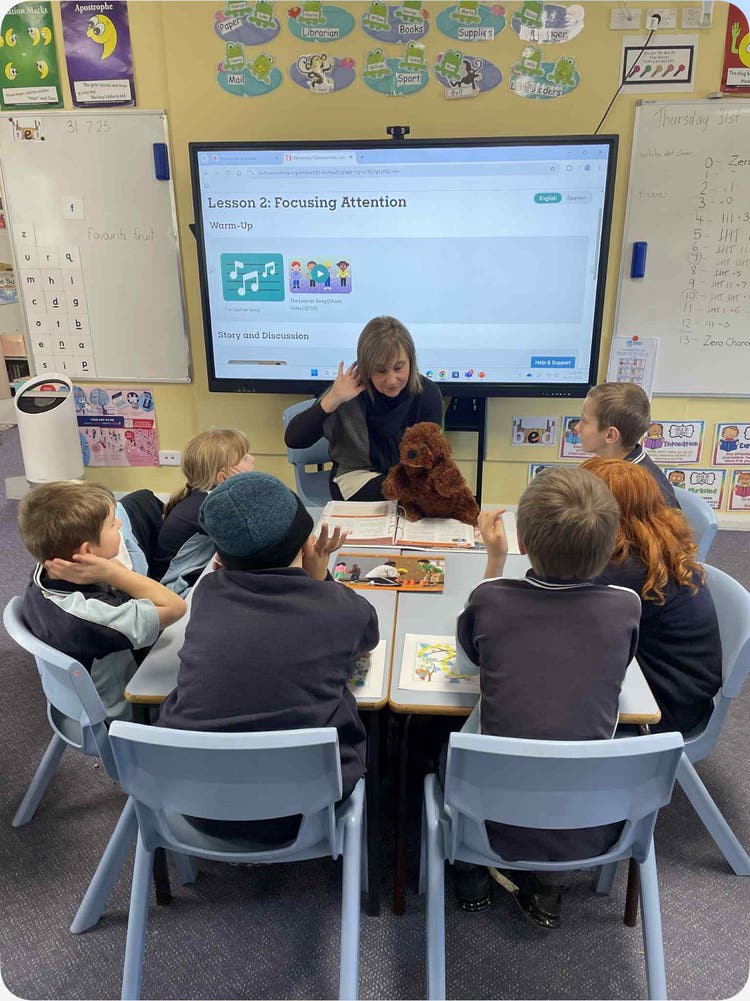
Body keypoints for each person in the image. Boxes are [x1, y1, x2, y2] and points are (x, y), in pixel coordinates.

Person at [451, 466, 641, 926]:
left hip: (490, 811)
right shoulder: (626, 606)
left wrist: (493, 566)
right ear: (609, 544)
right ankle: (547, 883)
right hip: (592, 814)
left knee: (439, 744)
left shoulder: (491, 600)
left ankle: (471, 867)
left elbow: (467, 663)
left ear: (523, 543)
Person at [157, 472, 379, 842]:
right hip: (308, 809)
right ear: (306, 544)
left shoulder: (208, 593)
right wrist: (320, 581)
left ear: (221, 556)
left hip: (197, 803)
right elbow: (367, 635)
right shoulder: (338, 607)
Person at [18, 481, 186, 721]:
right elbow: (176, 607)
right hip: (121, 717)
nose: (120, 523)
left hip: (80, 695)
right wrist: (114, 573)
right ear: (87, 553)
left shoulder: (48, 569)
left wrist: (108, 569)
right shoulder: (92, 616)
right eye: (112, 524)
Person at [582, 457, 722, 735]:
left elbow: (569, 627)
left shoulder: (622, 572)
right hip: (685, 690)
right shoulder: (652, 545)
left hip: (661, 710)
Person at [283, 316, 443, 501]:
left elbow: (428, 459)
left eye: (399, 368)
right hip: (356, 477)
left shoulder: (427, 393)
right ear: (366, 369)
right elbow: (294, 439)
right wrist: (333, 398)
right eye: (380, 371)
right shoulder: (348, 391)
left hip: (408, 478)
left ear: (411, 361)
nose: (391, 380)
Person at [150, 429, 255, 595]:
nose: (252, 459)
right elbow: (258, 535)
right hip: (178, 590)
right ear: (223, 476)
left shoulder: (203, 497)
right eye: (245, 457)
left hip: (186, 580)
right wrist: (250, 483)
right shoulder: (211, 507)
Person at [575, 382, 679, 508]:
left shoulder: (637, 492)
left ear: (610, 435)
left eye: (584, 421)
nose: (576, 427)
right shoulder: (610, 469)